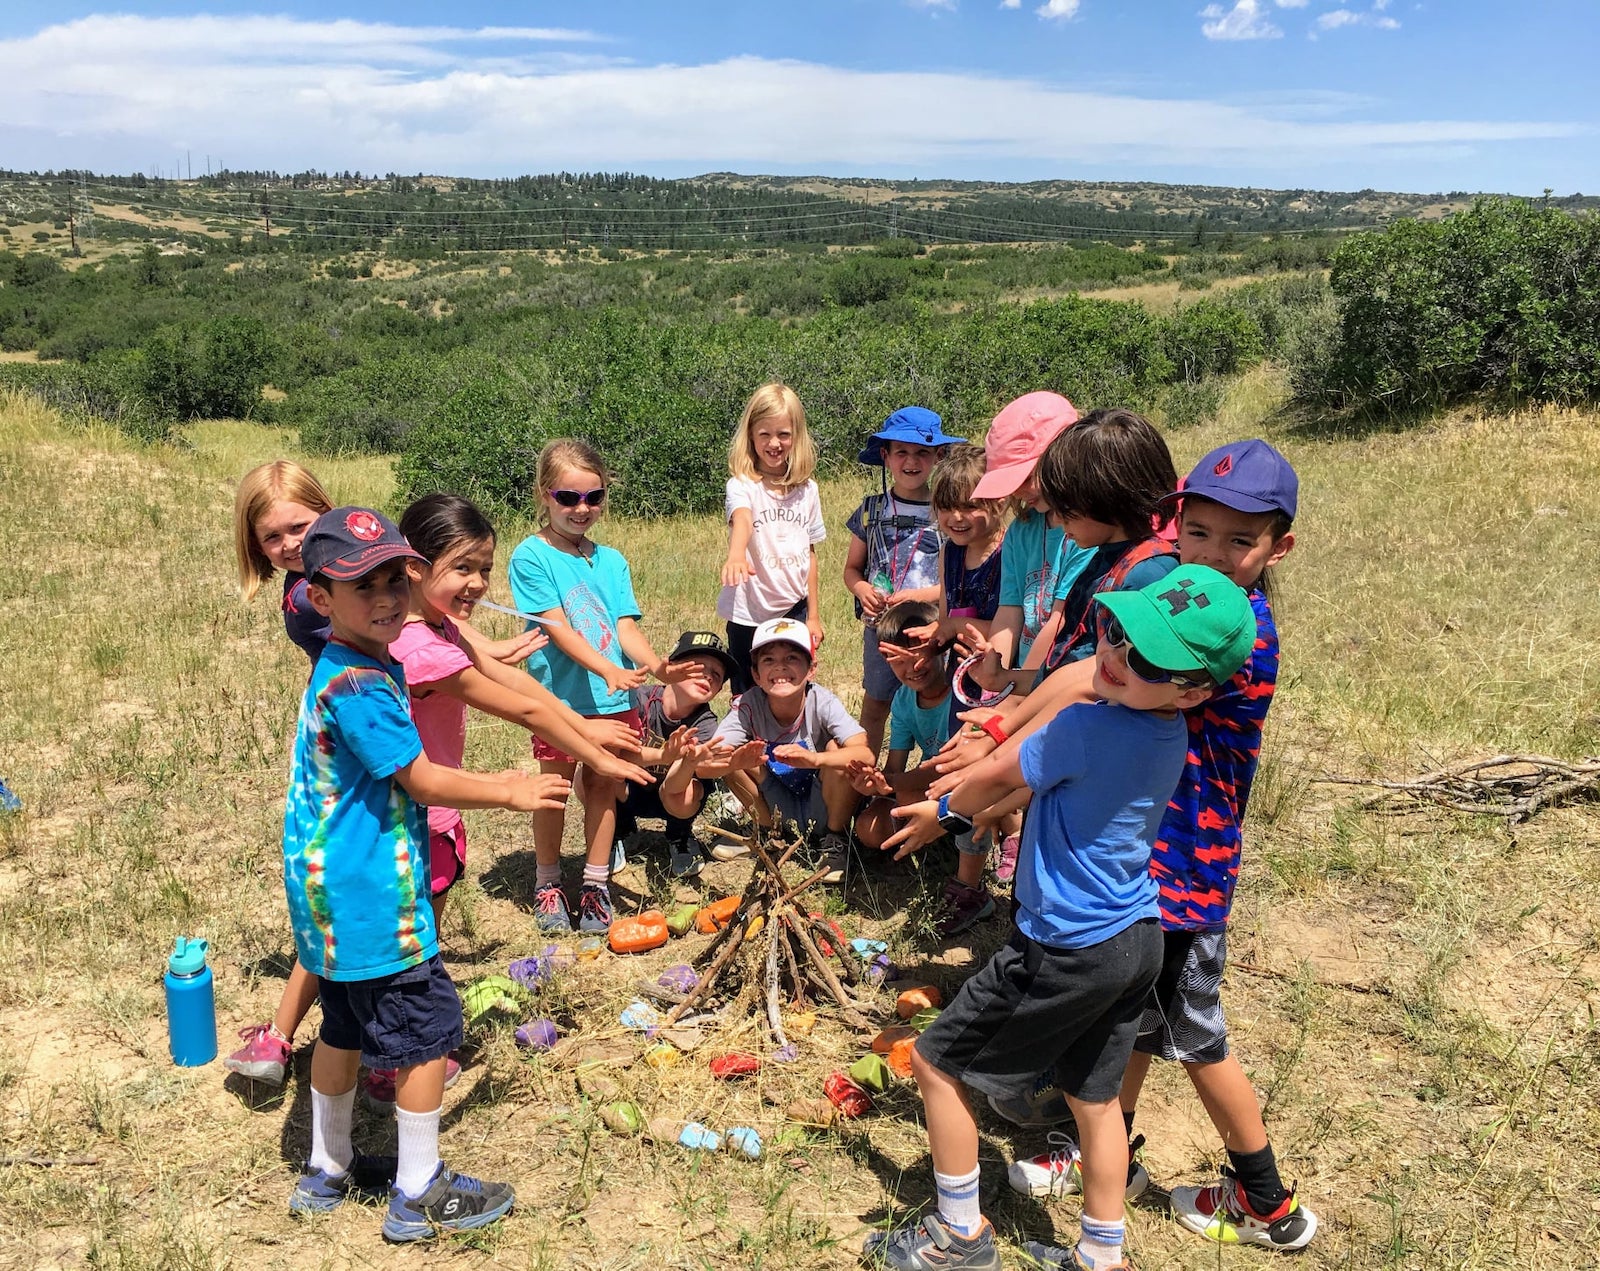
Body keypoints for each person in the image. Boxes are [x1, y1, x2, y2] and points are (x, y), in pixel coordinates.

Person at [870, 567, 1259, 1271]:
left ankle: (958, 1234)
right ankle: (1101, 1257)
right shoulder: (1169, 731)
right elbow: (1036, 768)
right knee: (1095, 1099)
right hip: (1138, 939)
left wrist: (948, 811)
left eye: (1140, 656)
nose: (1111, 654)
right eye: (1115, 629)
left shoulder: (1087, 724)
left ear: (1194, 688)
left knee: (935, 1061)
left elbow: (997, 775)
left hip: (1064, 945)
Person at [281, 506, 570, 1242]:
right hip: (376, 892)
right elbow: (419, 777)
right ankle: (419, 1188)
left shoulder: (348, 665)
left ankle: (328, 1165)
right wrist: (509, 786)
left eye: (394, 578)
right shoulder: (364, 686)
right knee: (426, 1029)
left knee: (342, 1027)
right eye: (360, 585)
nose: (384, 597)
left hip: (327, 894)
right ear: (320, 597)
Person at [1126, 440, 1316, 1251]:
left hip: (1186, 872)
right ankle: (1104, 1144)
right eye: (1196, 531)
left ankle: (1268, 1203)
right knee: (1129, 1014)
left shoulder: (1237, 636)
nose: (1210, 553)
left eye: (1239, 542)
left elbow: (1121, 680)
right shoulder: (1189, 598)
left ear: (1278, 548)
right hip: (1151, 858)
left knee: (1196, 1035)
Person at [508, 439, 703, 934]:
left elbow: (625, 628)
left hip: (614, 698)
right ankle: (548, 881)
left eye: (593, 497)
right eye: (568, 497)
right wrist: (606, 669)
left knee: (604, 784)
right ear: (544, 495)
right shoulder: (531, 557)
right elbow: (555, 627)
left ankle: (595, 884)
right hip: (559, 700)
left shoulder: (612, 560)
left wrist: (657, 666)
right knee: (554, 787)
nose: (582, 509)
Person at [849, 601, 995, 939]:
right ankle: (934, 849)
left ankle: (967, 876)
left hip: (965, 785)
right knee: (869, 828)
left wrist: (891, 783)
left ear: (940, 646)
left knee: (943, 788)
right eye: (897, 660)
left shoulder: (966, 691)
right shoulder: (903, 700)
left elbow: (941, 768)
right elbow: (896, 765)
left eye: (919, 653)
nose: (912, 667)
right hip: (932, 787)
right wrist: (878, 783)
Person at [698, 617, 873, 883]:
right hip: (775, 796)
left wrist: (816, 759)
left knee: (838, 751)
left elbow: (865, 754)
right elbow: (707, 760)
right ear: (756, 674)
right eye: (768, 660)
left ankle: (834, 839)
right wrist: (733, 762)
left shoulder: (821, 701)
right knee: (733, 757)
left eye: (792, 658)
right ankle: (768, 833)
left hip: (823, 801)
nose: (780, 666)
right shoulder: (747, 705)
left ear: (811, 669)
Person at [843, 407, 965, 757]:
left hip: (931, 629)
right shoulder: (870, 511)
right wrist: (862, 588)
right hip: (881, 629)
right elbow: (852, 568)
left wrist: (918, 595)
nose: (911, 462)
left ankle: (935, 769)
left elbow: (955, 579)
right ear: (886, 456)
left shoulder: (947, 512)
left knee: (936, 698)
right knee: (876, 703)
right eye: (902, 452)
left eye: (922, 453)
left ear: (938, 456)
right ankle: (863, 770)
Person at [964, 392, 1092, 702]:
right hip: (1022, 681)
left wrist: (1015, 699)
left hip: (1063, 683)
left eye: (1027, 476)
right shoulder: (1021, 531)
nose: (1020, 492)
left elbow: (1057, 622)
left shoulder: (1087, 529)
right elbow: (1010, 612)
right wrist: (991, 689)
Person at [718, 382, 826, 694]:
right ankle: (747, 742)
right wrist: (737, 554)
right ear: (751, 436)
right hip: (748, 610)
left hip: (793, 606)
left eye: (783, 434)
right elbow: (743, 520)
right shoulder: (742, 485)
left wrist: (814, 616)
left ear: (797, 436)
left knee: (793, 684)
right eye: (764, 434)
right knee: (747, 689)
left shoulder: (808, 490)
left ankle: (792, 741)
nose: (774, 443)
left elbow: (811, 555)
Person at [613, 630, 739, 878]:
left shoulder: (705, 723)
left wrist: (719, 763)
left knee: (689, 790)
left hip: (672, 795)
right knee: (592, 774)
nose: (708, 676)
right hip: (630, 788)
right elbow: (615, 756)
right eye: (698, 667)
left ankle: (679, 834)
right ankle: (617, 830)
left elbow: (703, 770)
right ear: (671, 666)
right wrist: (663, 755)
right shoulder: (638, 699)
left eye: (717, 674)